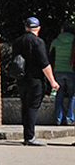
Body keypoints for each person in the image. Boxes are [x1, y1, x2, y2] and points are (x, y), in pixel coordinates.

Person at [10, 16, 57, 145]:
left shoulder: (17, 42)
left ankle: (27, 136)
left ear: (26, 27)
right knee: (32, 107)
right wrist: (52, 81)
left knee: (25, 107)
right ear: (38, 28)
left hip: (21, 79)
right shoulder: (38, 42)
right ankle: (30, 137)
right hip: (35, 80)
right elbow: (44, 64)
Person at [51, 22, 75, 127]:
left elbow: (50, 56)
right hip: (72, 70)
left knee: (59, 95)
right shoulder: (74, 41)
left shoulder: (56, 41)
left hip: (58, 70)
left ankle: (58, 119)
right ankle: (70, 118)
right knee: (72, 95)